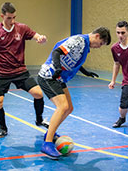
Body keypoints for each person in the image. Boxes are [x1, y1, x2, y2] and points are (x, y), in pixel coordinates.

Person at [0, 2, 49, 138]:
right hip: (0, 73)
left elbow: (36, 36)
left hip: (20, 71)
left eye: (14, 17)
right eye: (9, 18)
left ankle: (39, 119)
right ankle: (3, 128)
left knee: (38, 94)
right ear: (2, 16)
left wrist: (41, 38)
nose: (12, 21)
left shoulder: (22, 28)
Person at [38, 26, 111, 159]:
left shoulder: (84, 46)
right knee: (62, 107)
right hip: (49, 75)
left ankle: (50, 133)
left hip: (58, 78)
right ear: (97, 36)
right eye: (100, 44)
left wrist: (85, 72)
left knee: (69, 108)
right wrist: (58, 68)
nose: (99, 47)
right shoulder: (79, 41)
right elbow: (56, 52)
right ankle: (47, 143)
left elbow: (74, 60)